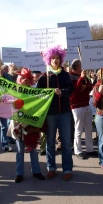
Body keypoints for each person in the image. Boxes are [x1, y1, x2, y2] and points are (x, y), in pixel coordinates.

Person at [37, 46, 73, 181]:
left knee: (66, 143)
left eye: (57, 58)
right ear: (49, 59)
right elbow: (38, 95)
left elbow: (71, 90)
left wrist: (61, 92)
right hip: (50, 114)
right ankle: (51, 168)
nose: (55, 60)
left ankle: (67, 169)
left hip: (64, 113)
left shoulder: (65, 75)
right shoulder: (44, 76)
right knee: (50, 142)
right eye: (53, 58)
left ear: (61, 59)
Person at [7, 68, 45, 183]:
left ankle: (36, 171)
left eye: (28, 78)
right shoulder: (14, 92)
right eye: (24, 78)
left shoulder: (34, 92)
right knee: (19, 151)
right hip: (18, 124)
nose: (26, 80)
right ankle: (19, 173)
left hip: (30, 125)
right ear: (19, 79)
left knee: (33, 150)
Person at [69, 59, 96, 159]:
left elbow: (90, 87)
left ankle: (90, 149)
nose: (82, 67)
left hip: (86, 104)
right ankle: (78, 150)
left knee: (89, 129)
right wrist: (81, 79)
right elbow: (76, 89)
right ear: (76, 66)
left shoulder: (83, 75)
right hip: (76, 106)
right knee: (79, 129)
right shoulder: (70, 77)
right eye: (81, 65)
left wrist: (83, 85)